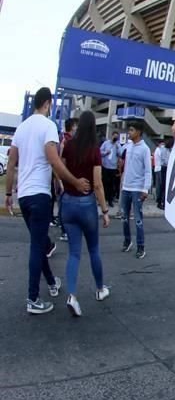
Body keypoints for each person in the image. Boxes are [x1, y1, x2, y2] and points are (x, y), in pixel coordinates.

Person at [5, 87, 91, 314]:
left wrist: (7, 194)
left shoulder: (22, 127)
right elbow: (54, 160)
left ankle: (52, 283)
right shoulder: (48, 126)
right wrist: (74, 181)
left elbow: (11, 163)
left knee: (40, 242)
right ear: (48, 103)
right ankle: (33, 299)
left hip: (24, 195)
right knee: (37, 245)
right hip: (40, 195)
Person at [60, 111, 111, 316]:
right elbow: (97, 184)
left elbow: (60, 171)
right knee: (93, 249)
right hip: (87, 204)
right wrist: (105, 210)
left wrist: (68, 186)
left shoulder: (69, 145)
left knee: (73, 252)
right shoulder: (94, 150)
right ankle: (100, 289)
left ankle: (72, 295)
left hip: (68, 203)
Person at [119, 120, 151, 259]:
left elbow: (148, 171)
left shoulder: (145, 149)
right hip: (126, 187)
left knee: (138, 219)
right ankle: (127, 241)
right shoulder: (129, 146)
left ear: (139, 132)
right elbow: (125, 166)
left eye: (131, 130)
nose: (129, 133)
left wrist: (145, 189)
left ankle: (141, 246)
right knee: (124, 218)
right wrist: (122, 183)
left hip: (137, 188)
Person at [56, 117, 78, 242]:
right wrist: (61, 179)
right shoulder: (66, 140)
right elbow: (61, 160)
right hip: (65, 177)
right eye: (76, 126)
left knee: (64, 204)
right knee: (65, 204)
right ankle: (64, 231)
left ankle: (63, 227)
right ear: (72, 126)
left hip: (65, 176)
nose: (77, 128)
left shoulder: (66, 139)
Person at [100, 130, 120, 207]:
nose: (115, 138)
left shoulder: (117, 145)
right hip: (105, 166)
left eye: (116, 137)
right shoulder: (106, 143)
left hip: (113, 167)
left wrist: (118, 147)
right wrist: (105, 152)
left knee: (112, 184)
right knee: (105, 183)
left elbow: (121, 154)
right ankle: (104, 199)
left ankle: (110, 200)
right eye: (114, 136)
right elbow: (100, 152)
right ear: (111, 136)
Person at [154, 137, 171, 209]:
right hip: (162, 168)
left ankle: (161, 201)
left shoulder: (164, 149)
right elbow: (164, 160)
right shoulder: (163, 149)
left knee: (162, 186)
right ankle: (160, 201)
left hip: (161, 168)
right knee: (162, 186)